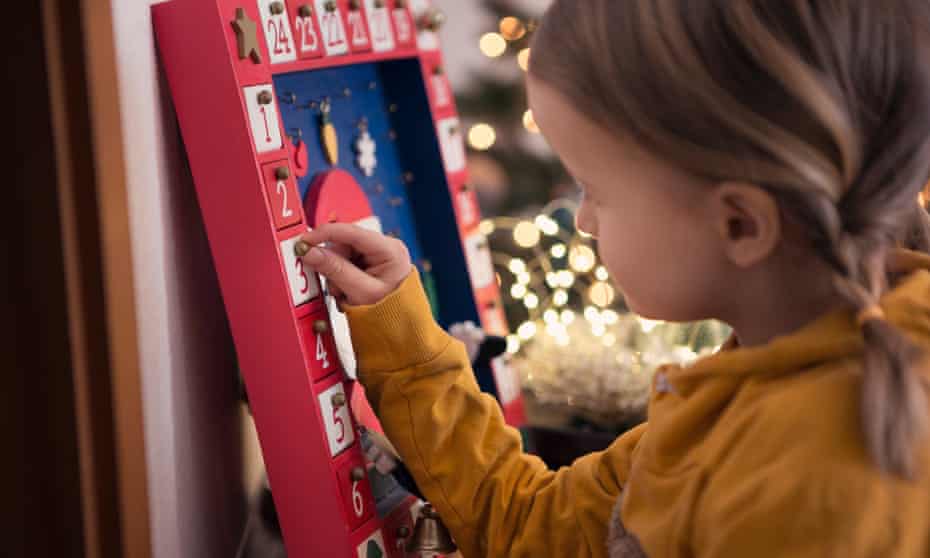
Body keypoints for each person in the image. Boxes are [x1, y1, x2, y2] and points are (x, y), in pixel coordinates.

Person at [297, 1, 930, 555]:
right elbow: (535, 527)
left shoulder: (813, 486)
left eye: (595, 190)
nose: (584, 222)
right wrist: (403, 343)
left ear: (740, 224)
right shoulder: (752, 381)